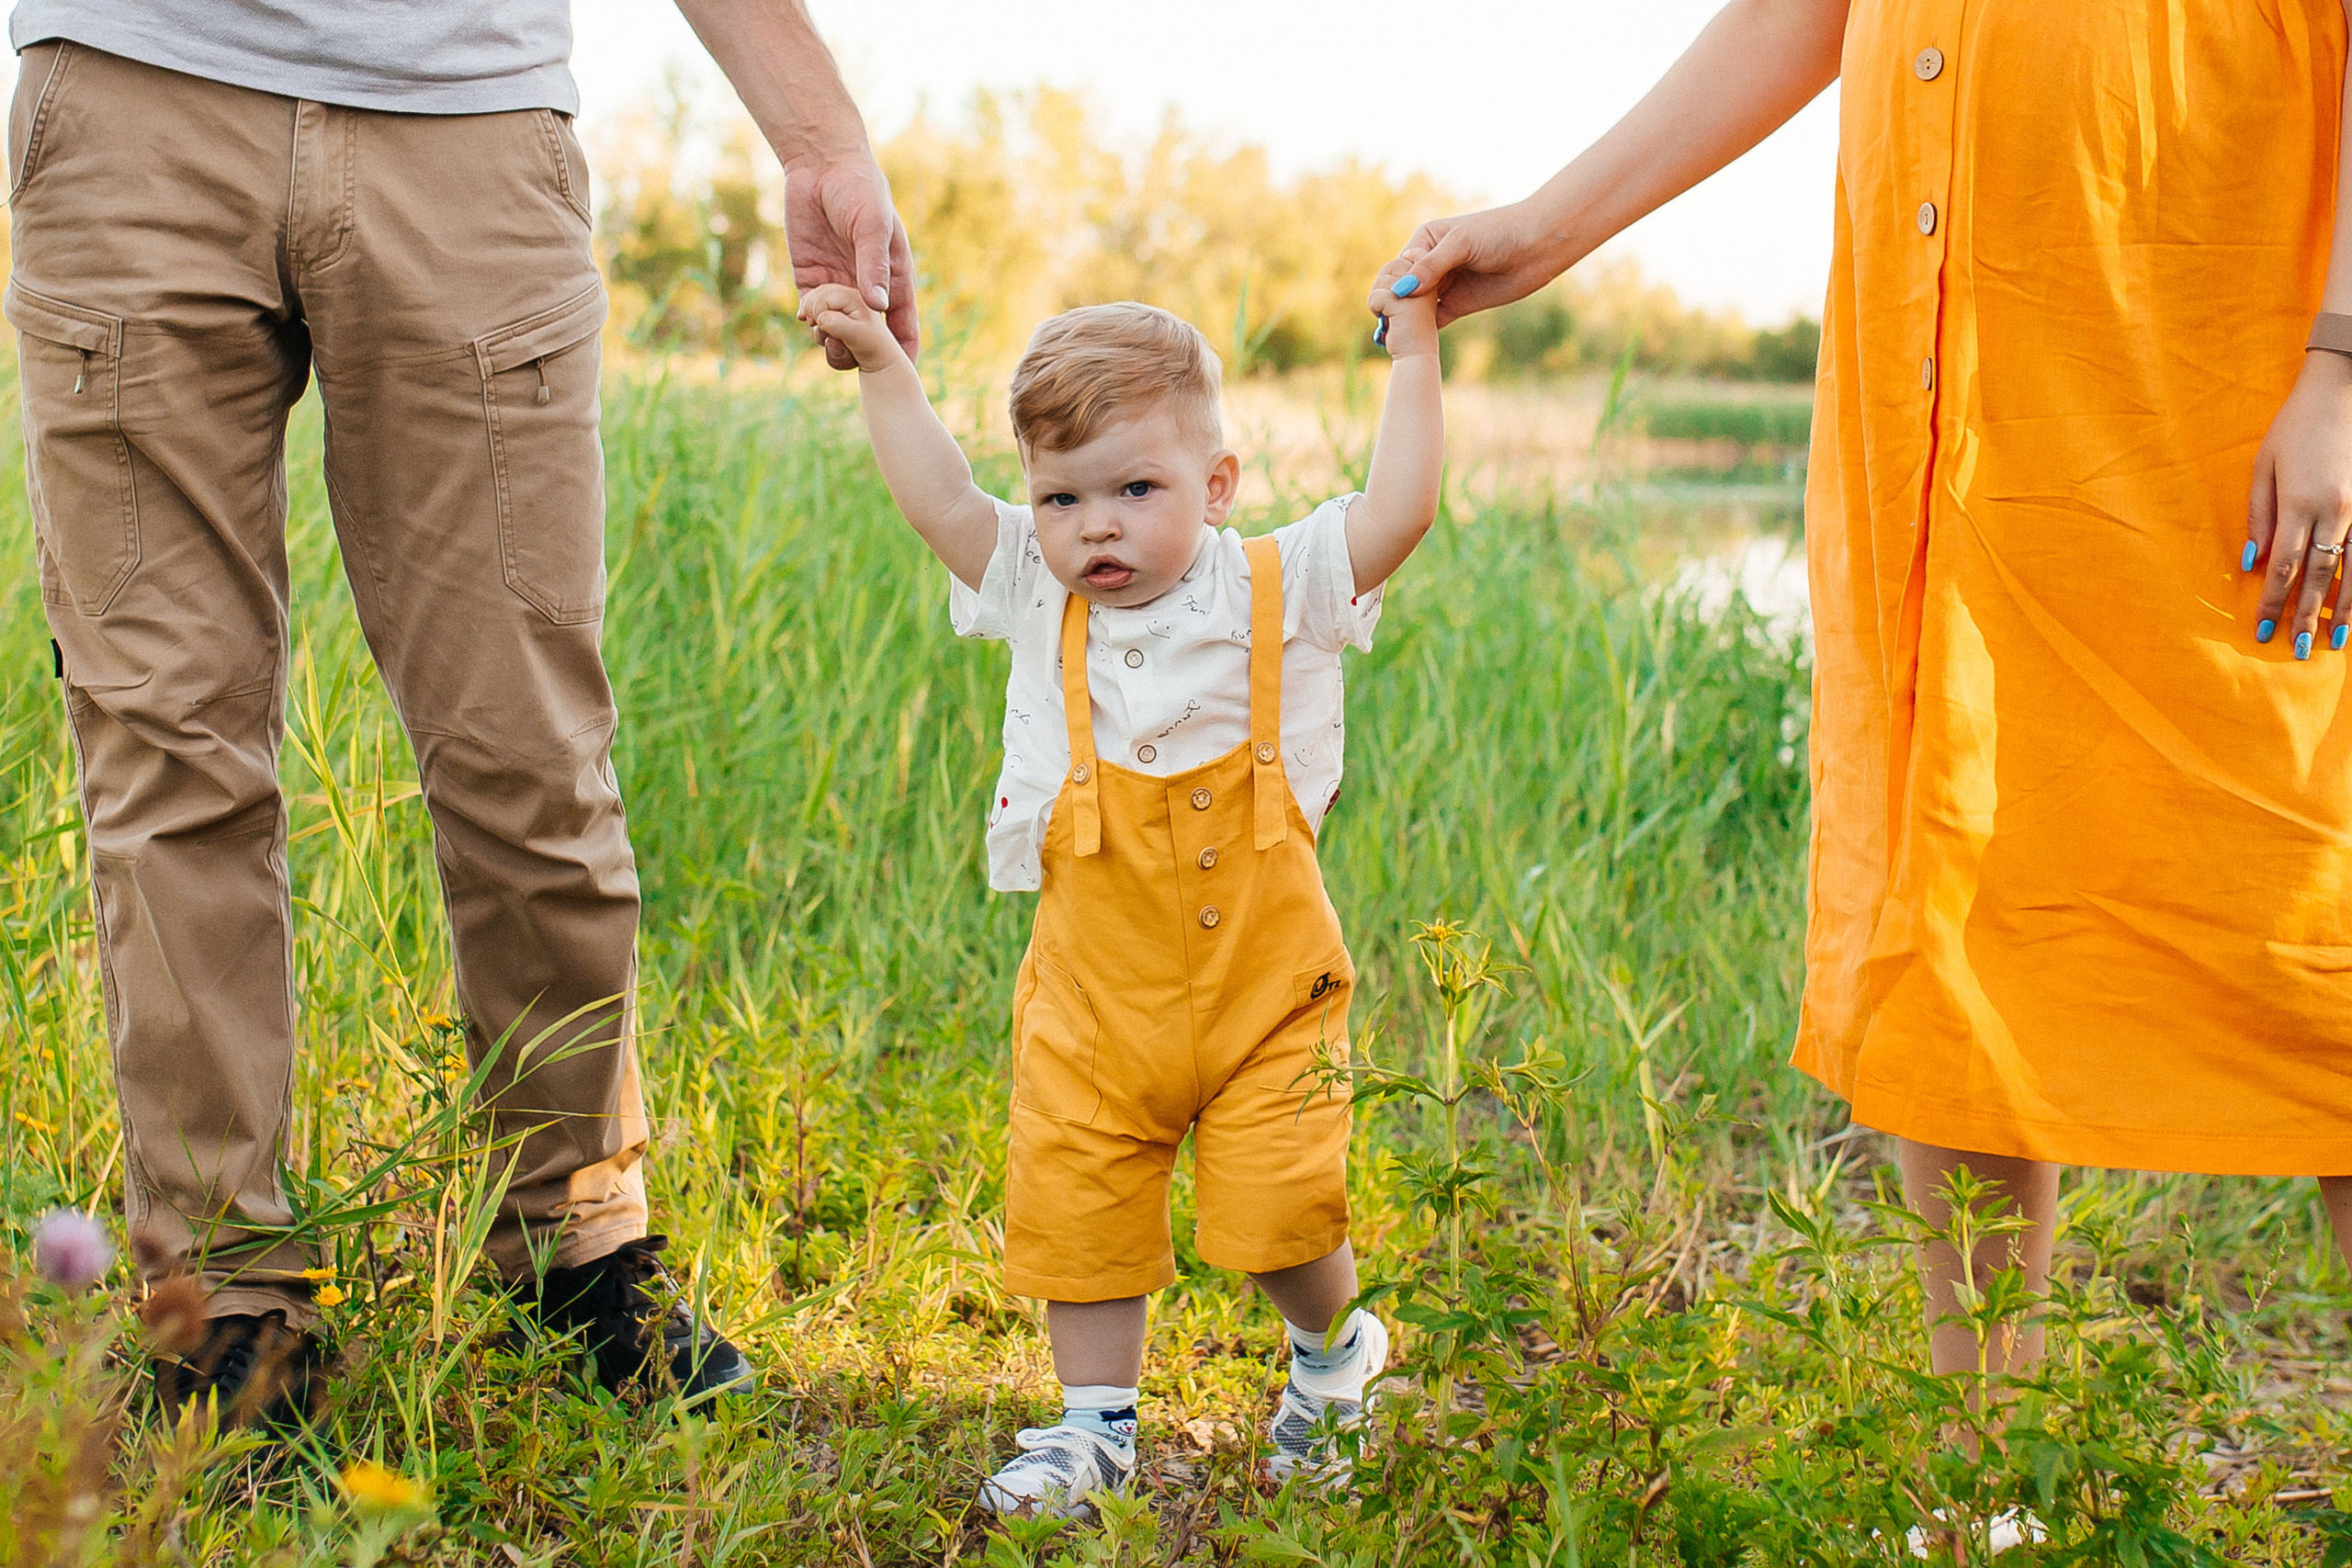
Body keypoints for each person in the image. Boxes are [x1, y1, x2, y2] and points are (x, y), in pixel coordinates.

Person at [1377, 0, 2352, 1522]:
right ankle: (1988, 1496)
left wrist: (2342, 365)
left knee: (2313, 919)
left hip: (2215, 366)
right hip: (1951, 380)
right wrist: (1549, 228)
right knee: (1951, 901)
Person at [5, 0, 917, 1424]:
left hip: (467, 121)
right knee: (168, 749)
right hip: (135, 98)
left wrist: (818, 133)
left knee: (525, 745)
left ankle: (573, 1243)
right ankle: (225, 1295)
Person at [795, 275, 1442, 1511]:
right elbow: (938, 496)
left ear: (1218, 484)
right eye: (1062, 498)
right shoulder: (1036, 592)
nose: (1096, 527)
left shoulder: (1282, 581)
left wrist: (1414, 352)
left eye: (1136, 490)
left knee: (1283, 1207)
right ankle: (1093, 1429)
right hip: (1097, 992)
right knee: (1078, 1196)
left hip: (1265, 986)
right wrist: (882, 366)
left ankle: (1332, 1361)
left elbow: (1401, 509)